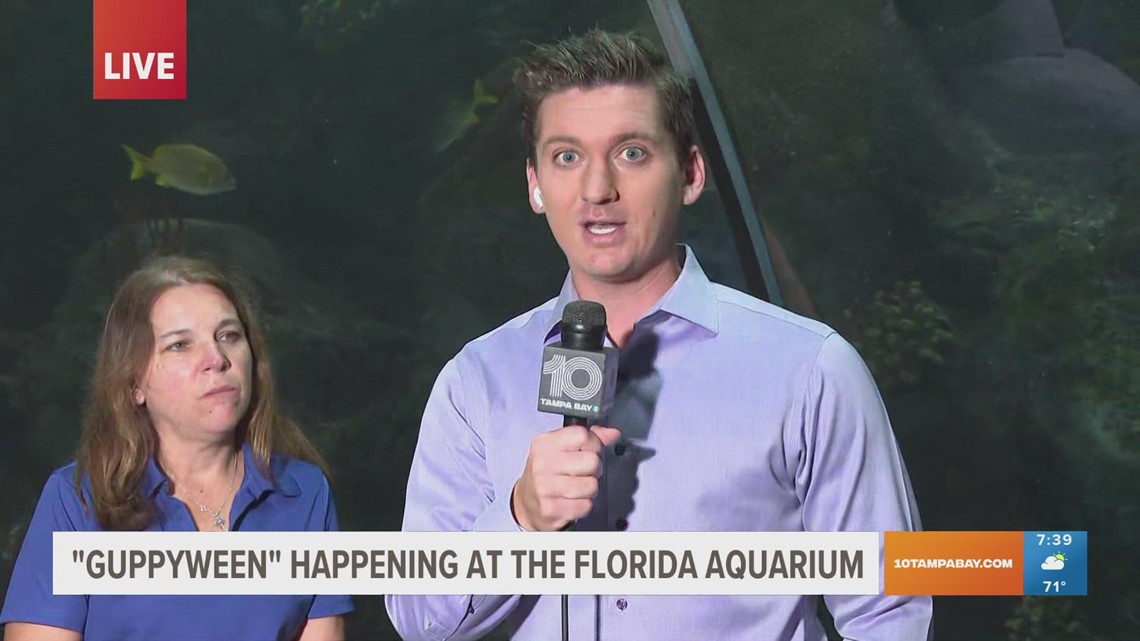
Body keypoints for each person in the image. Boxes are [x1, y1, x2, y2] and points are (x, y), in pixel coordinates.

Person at [385, 29, 932, 641]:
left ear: (691, 173)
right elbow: (419, 619)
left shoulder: (810, 370)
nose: (597, 190)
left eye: (632, 153)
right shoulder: (474, 381)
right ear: (535, 185)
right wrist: (520, 519)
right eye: (568, 157)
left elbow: (888, 611)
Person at [0, 256, 353, 641]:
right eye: (180, 345)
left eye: (229, 335)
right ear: (134, 382)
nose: (216, 360)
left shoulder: (304, 493)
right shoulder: (77, 501)